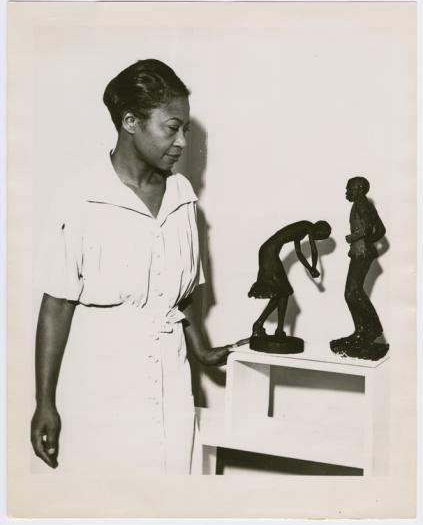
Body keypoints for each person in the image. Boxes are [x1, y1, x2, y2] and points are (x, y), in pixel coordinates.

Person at [30, 59, 230, 475]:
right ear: (130, 122)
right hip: (101, 381)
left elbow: (185, 289)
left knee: (171, 492)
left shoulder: (182, 194)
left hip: (171, 377)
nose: (181, 142)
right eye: (171, 127)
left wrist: (201, 350)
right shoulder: (81, 196)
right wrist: (44, 403)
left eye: (186, 130)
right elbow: (56, 305)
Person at [248, 220, 331, 338]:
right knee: (283, 292)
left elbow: (299, 253)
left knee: (282, 293)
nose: (317, 239)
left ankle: (268, 327)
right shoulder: (308, 226)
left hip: (267, 251)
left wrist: (310, 268)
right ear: (319, 230)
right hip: (269, 253)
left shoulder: (302, 229)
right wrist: (313, 267)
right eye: (320, 237)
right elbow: (314, 250)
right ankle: (269, 327)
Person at [331, 176, 386, 350]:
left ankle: (371, 329)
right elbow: (381, 230)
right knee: (352, 292)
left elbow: (369, 228)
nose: (347, 192)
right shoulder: (364, 204)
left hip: (361, 254)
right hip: (362, 252)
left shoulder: (361, 204)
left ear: (360, 189)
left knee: (352, 292)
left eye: (350, 189)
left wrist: (354, 238)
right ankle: (361, 331)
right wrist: (368, 243)